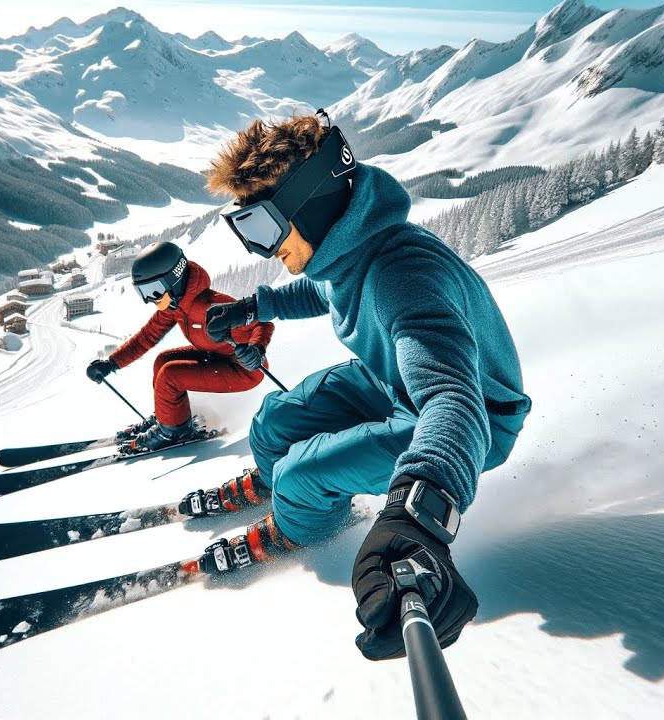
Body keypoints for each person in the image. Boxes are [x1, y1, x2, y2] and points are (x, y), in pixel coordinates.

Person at [197, 110, 531, 662]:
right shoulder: (352, 250)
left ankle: (298, 525)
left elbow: (454, 399)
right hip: (393, 380)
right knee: (275, 418)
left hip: (465, 422)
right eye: (247, 229)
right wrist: (257, 305)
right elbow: (324, 291)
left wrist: (417, 512)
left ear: (312, 203)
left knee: (303, 471)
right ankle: (277, 487)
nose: (262, 249)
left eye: (263, 226)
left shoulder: (405, 273)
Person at [85, 241, 274, 452]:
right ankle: (169, 416)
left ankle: (172, 431)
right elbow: (147, 336)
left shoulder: (211, 306)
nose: (149, 299)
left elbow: (262, 322)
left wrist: (257, 348)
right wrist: (111, 363)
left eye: (154, 290)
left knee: (170, 375)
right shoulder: (176, 306)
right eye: (143, 292)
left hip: (245, 368)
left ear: (173, 280)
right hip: (216, 357)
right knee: (163, 361)